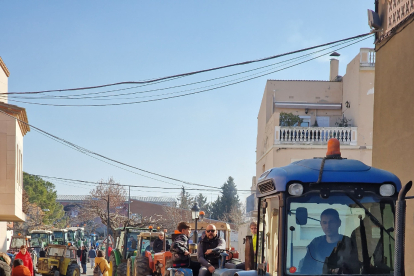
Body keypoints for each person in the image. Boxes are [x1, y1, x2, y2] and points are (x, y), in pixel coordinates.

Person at [299, 208, 358, 274]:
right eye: (325, 222)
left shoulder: (348, 243)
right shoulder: (315, 243)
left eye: (331, 222)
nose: (328, 226)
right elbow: (306, 269)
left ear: (339, 223)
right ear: (321, 224)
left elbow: (355, 268)